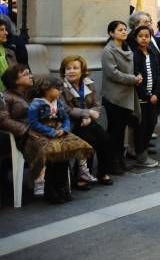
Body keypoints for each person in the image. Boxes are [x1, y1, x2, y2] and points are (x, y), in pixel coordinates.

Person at [1, 64, 93, 202]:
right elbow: (3, 120)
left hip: (46, 130)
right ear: (14, 80)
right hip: (25, 136)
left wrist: (61, 126)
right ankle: (50, 190)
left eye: (29, 73)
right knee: (51, 149)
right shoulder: (6, 97)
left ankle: (62, 188)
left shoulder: (34, 92)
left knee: (64, 147)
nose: (30, 76)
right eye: (26, 74)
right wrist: (26, 130)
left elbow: (55, 106)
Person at [27, 75, 95, 204]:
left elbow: (65, 118)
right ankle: (51, 192)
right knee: (53, 157)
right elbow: (33, 123)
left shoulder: (58, 102)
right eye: (57, 88)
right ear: (46, 89)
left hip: (59, 132)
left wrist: (64, 129)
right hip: (41, 134)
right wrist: (51, 132)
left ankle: (63, 190)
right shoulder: (36, 104)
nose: (60, 91)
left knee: (66, 156)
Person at [60, 55, 116, 184]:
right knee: (89, 141)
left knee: (105, 139)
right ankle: (82, 176)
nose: (71, 71)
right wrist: (87, 113)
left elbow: (96, 104)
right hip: (71, 123)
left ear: (82, 70)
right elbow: (65, 109)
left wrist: (90, 116)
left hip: (89, 121)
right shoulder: (60, 87)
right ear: (63, 71)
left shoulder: (89, 84)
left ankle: (103, 173)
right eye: (68, 68)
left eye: (75, 68)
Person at [102, 20, 141, 171]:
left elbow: (131, 70)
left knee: (121, 131)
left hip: (127, 96)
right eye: (120, 30)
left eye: (125, 29)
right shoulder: (108, 51)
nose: (124, 32)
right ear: (111, 33)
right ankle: (112, 163)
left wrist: (138, 76)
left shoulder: (127, 48)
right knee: (114, 132)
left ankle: (120, 160)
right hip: (114, 97)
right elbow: (113, 74)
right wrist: (133, 79)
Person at [132, 25, 160, 168]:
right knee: (142, 127)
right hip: (141, 98)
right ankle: (141, 156)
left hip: (153, 96)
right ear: (136, 38)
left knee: (152, 123)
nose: (144, 38)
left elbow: (158, 75)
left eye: (147, 36)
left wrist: (155, 93)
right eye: (141, 36)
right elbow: (136, 79)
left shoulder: (152, 53)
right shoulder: (135, 55)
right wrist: (147, 95)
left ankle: (143, 151)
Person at [0, 20, 17, 91]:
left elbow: (16, 74)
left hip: (10, 93)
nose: (6, 33)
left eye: (5, 30)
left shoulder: (10, 52)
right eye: (1, 30)